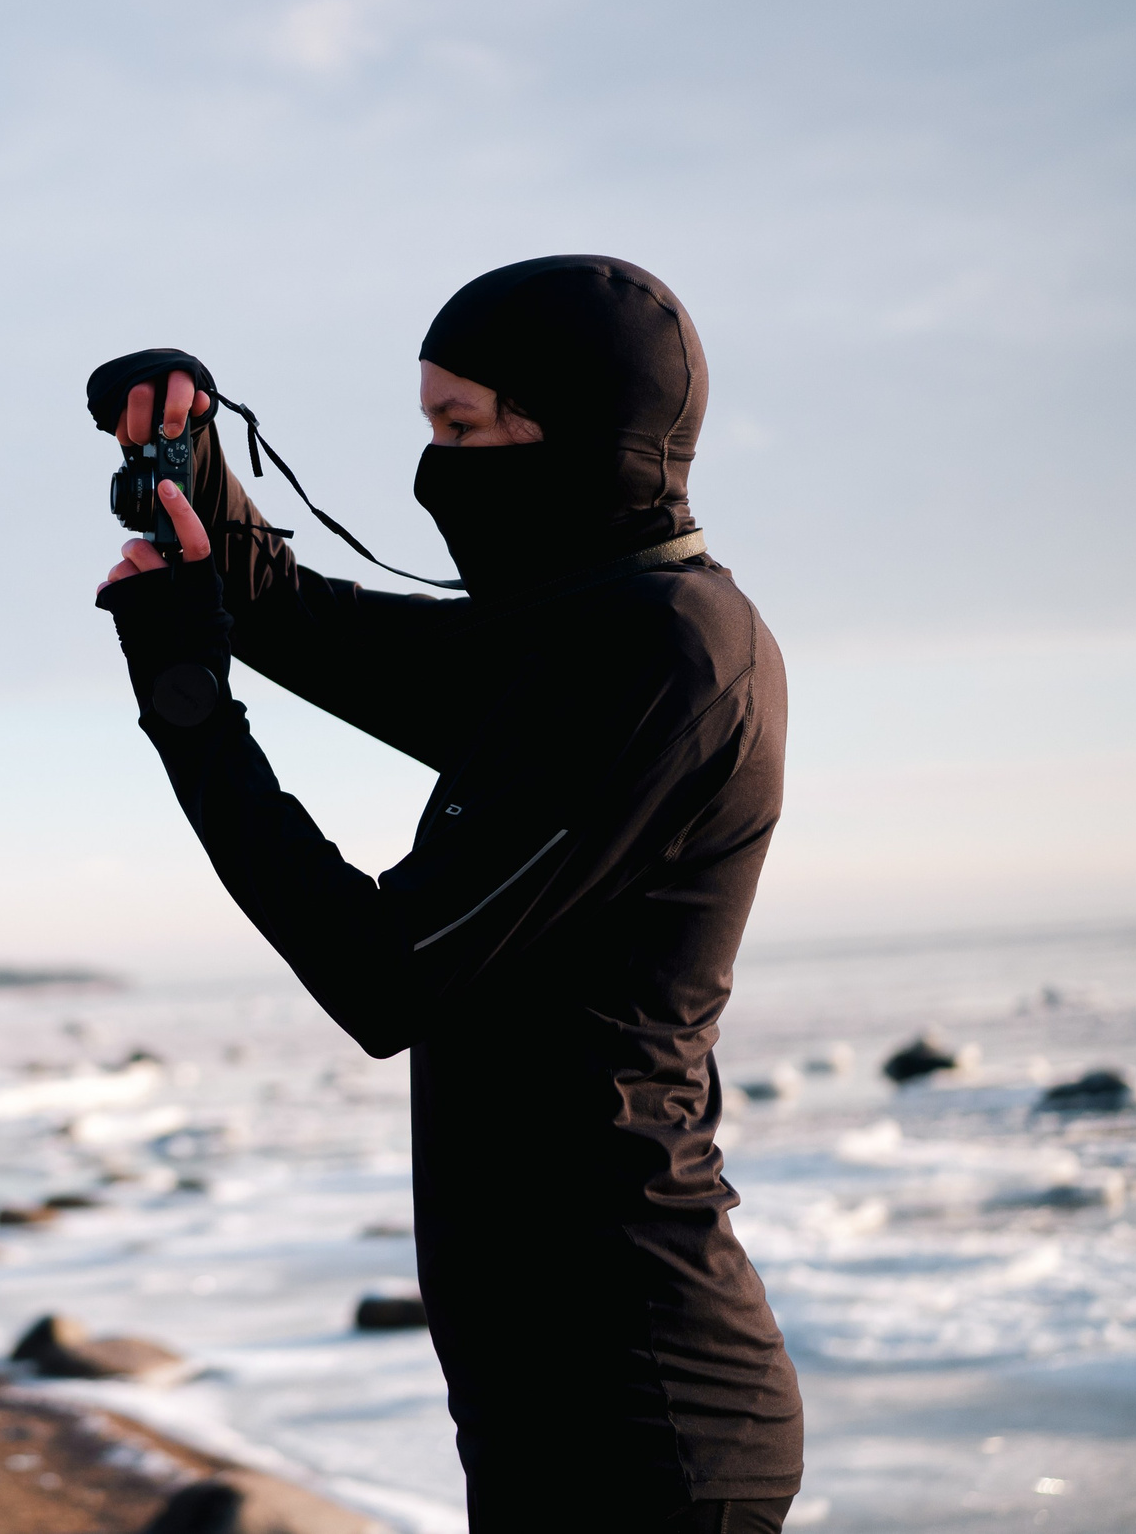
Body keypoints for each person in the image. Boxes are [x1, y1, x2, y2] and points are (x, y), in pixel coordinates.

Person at [89, 256, 802, 1531]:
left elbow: (384, 973)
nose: (436, 468)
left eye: (460, 429)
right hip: (547, 1391)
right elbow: (290, 613)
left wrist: (192, 715)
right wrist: (189, 455)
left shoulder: (660, 657)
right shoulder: (577, 631)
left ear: (574, 428)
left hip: (638, 1408)